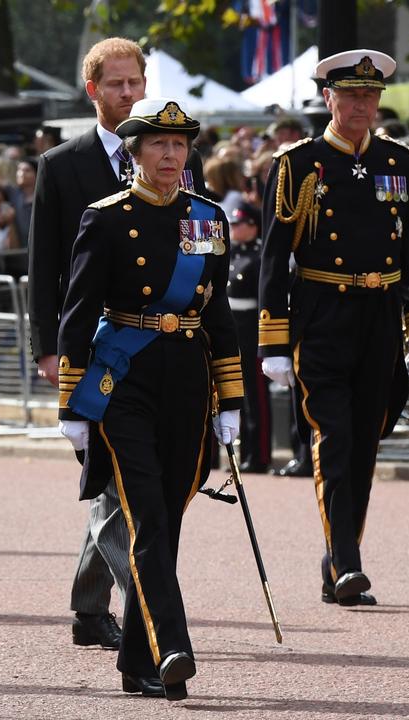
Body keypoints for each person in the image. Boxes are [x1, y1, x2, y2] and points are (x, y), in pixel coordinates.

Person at [57, 97, 241, 701]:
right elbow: (78, 311)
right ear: (134, 153)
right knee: (146, 515)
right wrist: (72, 405)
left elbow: (217, 313)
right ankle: (174, 645)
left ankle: (138, 661)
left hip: (187, 379)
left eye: (179, 145)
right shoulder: (106, 217)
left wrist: (231, 399)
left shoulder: (207, 218)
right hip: (124, 383)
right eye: (158, 145)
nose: (170, 155)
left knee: (168, 513)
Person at [28, 37, 206, 653]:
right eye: (116, 85)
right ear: (93, 91)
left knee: (119, 485)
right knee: (124, 487)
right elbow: (46, 265)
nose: (127, 93)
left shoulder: (175, 150)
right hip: (100, 350)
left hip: (163, 357)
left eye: (135, 83)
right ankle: (150, 618)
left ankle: (91, 605)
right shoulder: (62, 163)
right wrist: (49, 349)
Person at [258, 49, 409, 608]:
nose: (361, 105)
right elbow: (273, 257)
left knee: (364, 442)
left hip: (379, 317)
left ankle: (338, 558)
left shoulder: (400, 162)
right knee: (332, 437)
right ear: (327, 98)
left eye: (370, 95)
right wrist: (274, 341)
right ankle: (349, 562)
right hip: (323, 313)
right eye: (350, 95)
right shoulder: (299, 164)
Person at [228, 201, 271, 473]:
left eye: (239, 224)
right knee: (238, 396)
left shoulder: (259, 257)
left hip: (252, 332)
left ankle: (259, 455)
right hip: (234, 332)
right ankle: (245, 453)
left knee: (257, 399)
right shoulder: (231, 255)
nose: (234, 229)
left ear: (253, 227)